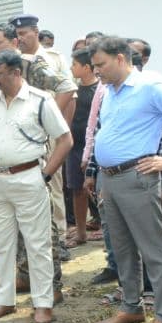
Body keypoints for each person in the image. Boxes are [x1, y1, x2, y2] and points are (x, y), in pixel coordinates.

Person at [88, 36, 162, 323]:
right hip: (109, 178)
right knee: (122, 247)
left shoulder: (150, 87)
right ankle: (131, 306)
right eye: (94, 65)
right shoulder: (110, 91)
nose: (96, 71)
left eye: (101, 64)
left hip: (136, 177)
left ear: (121, 59)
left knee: (153, 249)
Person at [0, 50, 73, 323]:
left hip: (29, 177)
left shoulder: (40, 101)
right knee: (1, 244)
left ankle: (43, 304)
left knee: (37, 244)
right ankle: (4, 300)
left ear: (17, 73)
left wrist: (45, 174)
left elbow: (65, 140)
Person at [67, 48, 99, 247]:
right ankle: (80, 232)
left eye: (75, 65)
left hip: (95, 148)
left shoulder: (101, 90)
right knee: (77, 190)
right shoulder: (72, 91)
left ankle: (106, 227)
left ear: (86, 67)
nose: (71, 68)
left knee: (97, 188)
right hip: (75, 146)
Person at [12, 13, 67, 79]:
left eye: (22, 33)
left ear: (36, 31)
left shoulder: (55, 58)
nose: (19, 38)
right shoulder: (13, 59)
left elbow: (69, 87)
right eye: (16, 35)